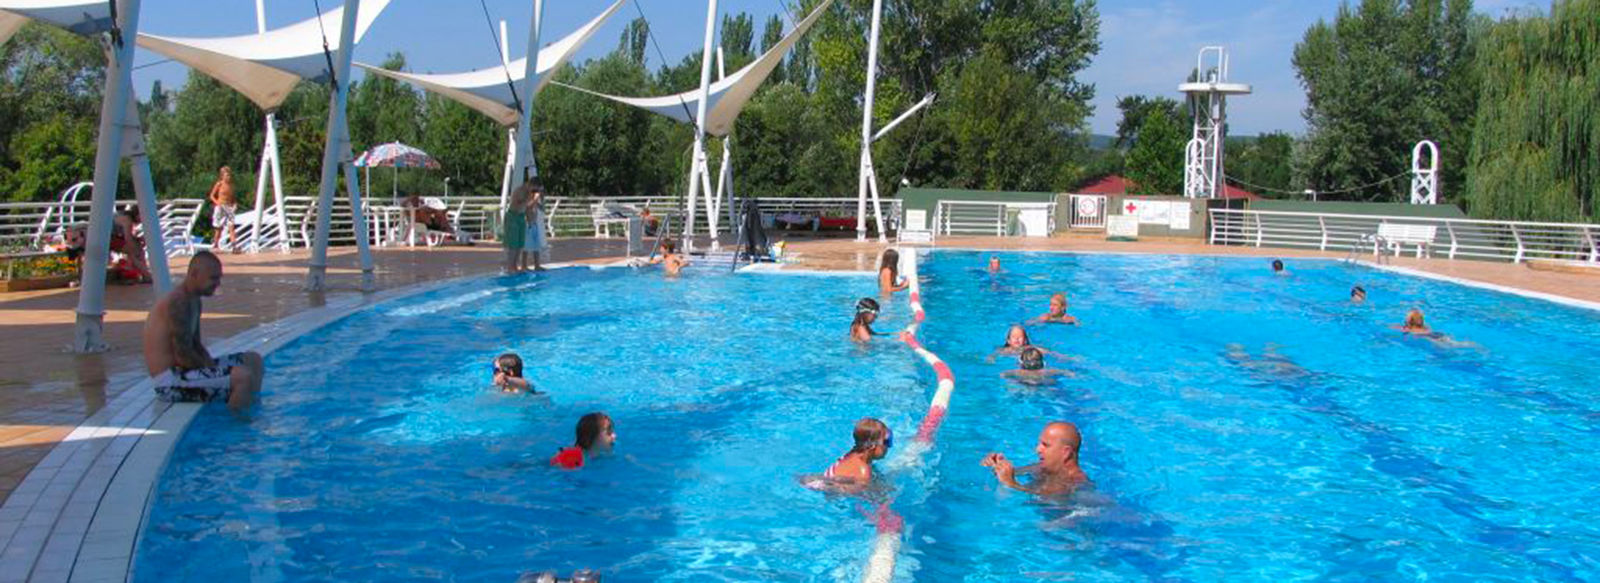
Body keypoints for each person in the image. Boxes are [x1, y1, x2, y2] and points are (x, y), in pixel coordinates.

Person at [142, 251, 263, 413]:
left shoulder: (194, 300)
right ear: (194, 274)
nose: (218, 283)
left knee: (253, 360)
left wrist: (213, 368)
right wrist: (215, 372)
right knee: (242, 377)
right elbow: (182, 356)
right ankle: (238, 426)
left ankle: (249, 406)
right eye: (213, 278)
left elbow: (196, 345)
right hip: (169, 382)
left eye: (219, 278)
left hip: (185, 372)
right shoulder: (178, 303)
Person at [981, 421, 1089, 496]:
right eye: (1039, 443)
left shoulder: (1076, 483)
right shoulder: (1041, 467)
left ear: (1066, 452)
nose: (1037, 449)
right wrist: (996, 465)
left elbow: (1046, 500)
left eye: (1045, 445)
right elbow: (1011, 473)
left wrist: (1011, 484)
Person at [817, 418, 892, 493]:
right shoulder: (863, 473)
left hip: (824, 480)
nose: (888, 446)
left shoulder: (851, 454)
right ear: (872, 446)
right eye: (887, 441)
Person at [551, 412, 616, 470]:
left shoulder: (599, 455)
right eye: (609, 432)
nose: (614, 436)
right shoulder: (571, 458)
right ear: (592, 436)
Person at [110, 209, 152, 283]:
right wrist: (135, 248)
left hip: (110, 237)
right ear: (137, 215)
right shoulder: (127, 221)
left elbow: (127, 236)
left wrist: (137, 241)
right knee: (133, 252)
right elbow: (128, 238)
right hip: (107, 239)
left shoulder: (123, 215)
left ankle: (143, 273)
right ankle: (146, 275)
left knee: (137, 248)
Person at [206, 166, 239, 253]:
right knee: (219, 228)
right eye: (226, 175)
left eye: (229, 175)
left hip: (229, 207)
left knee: (231, 226)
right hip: (220, 206)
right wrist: (217, 203)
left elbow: (233, 199)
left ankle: (234, 246)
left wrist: (235, 205)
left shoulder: (231, 186)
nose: (228, 177)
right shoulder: (219, 184)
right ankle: (215, 245)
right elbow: (211, 195)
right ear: (222, 176)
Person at [1002, 347, 1072, 385]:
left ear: (1021, 362)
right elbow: (1068, 373)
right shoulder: (1048, 371)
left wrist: (1012, 381)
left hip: (1024, 383)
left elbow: (1003, 375)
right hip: (1043, 384)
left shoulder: (1018, 372)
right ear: (1043, 363)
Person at [988, 325, 1058, 361]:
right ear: (1008, 340)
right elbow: (994, 355)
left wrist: (1056, 355)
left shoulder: (1028, 348)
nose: (1017, 339)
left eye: (1020, 337)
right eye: (1014, 337)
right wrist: (991, 359)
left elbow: (1045, 351)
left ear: (1025, 340)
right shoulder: (1006, 350)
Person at [501, 184, 529, 273]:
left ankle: (515, 266)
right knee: (513, 244)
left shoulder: (529, 193)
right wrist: (529, 199)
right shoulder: (520, 191)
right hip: (513, 216)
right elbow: (517, 204)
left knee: (520, 245)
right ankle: (510, 267)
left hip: (521, 217)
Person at [523, 180, 549, 272]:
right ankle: (524, 266)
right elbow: (527, 207)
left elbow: (542, 209)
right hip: (528, 225)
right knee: (526, 247)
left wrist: (541, 199)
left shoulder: (535, 201)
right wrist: (534, 200)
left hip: (534, 225)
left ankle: (537, 265)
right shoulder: (528, 198)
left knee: (536, 246)